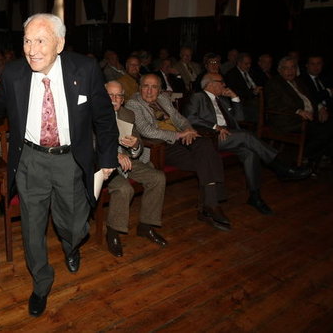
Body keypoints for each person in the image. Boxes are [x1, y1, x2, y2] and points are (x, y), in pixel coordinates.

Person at [0, 13, 118, 317]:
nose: (32, 50)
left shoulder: (84, 70)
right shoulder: (14, 73)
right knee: (32, 228)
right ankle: (41, 281)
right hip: (30, 160)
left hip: (71, 159)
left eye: (41, 41)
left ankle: (72, 245)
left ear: (60, 43)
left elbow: (105, 119)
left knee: (73, 224)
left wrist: (108, 159)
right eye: (27, 41)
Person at [183, 73, 311, 215]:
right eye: (222, 82)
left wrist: (235, 98)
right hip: (211, 138)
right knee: (246, 135)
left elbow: (239, 118)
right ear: (211, 83)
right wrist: (215, 127)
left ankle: (255, 196)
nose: (225, 85)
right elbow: (190, 118)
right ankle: (280, 167)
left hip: (231, 136)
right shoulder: (198, 97)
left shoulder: (222, 100)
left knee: (250, 153)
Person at [125, 74, 230, 231]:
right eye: (146, 86)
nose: (149, 91)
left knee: (206, 145)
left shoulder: (163, 98)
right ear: (140, 88)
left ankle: (209, 205)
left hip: (181, 138)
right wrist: (179, 135)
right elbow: (147, 130)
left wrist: (189, 130)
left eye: (154, 87)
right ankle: (211, 205)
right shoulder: (133, 104)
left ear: (160, 90)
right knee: (208, 159)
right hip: (161, 146)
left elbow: (179, 118)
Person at [104, 81, 167, 257]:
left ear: (123, 99)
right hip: (102, 164)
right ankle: (113, 231)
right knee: (124, 188)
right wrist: (114, 155)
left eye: (119, 95)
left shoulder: (128, 114)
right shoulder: (91, 114)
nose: (114, 99)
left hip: (127, 161)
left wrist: (135, 145)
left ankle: (146, 225)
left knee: (158, 178)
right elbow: (89, 145)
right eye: (110, 95)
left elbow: (138, 143)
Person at [224, 52, 261, 122]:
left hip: (256, 98)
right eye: (246, 64)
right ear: (239, 63)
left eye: (250, 63)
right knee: (256, 106)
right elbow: (234, 92)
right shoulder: (232, 74)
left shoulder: (252, 72)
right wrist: (252, 93)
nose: (249, 66)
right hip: (243, 102)